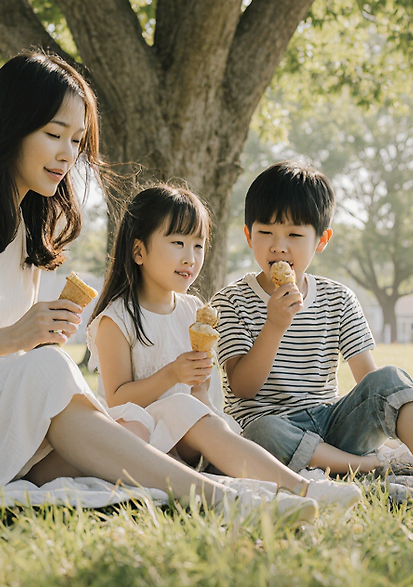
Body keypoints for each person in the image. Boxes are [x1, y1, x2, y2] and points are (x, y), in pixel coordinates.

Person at [0, 52, 317, 520]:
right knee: (51, 369)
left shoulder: (28, 236)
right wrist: (18, 338)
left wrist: (28, 346)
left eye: (76, 140)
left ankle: (293, 490)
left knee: (139, 426)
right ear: (9, 126)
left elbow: (10, 371)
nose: (66, 154)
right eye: (53, 134)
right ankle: (221, 500)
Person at [85, 185, 362, 509]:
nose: (190, 257)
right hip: (137, 437)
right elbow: (117, 399)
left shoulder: (194, 311)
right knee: (184, 410)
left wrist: (199, 386)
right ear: (139, 251)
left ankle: (285, 489)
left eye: (198, 245)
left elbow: (199, 398)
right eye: (177, 243)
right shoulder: (116, 319)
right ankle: (300, 488)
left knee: (206, 418)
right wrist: (172, 374)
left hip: (189, 434)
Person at [212, 160, 413, 495]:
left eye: (294, 234)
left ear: (321, 240)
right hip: (272, 431)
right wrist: (275, 326)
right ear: (249, 235)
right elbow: (243, 388)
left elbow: (369, 382)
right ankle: (375, 467)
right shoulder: (231, 301)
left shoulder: (338, 298)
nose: (279, 246)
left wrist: (380, 408)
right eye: (266, 233)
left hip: (332, 425)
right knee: (260, 434)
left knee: (392, 379)